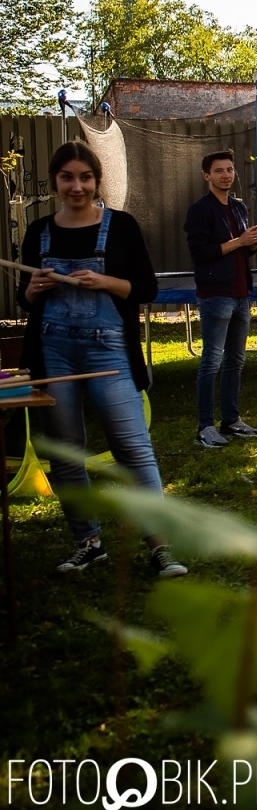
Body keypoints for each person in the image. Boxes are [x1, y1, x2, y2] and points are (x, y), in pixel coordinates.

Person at [21, 142, 186, 578]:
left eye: (85, 177)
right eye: (67, 178)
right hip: (53, 350)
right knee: (65, 452)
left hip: (108, 349)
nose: (77, 186)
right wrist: (32, 290)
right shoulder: (38, 231)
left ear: (97, 181)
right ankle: (88, 543)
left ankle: (160, 547)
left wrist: (104, 281)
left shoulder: (121, 226)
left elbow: (146, 289)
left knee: (133, 447)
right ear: (55, 182)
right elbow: (25, 300)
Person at [185, 149, 257, 448]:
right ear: (206, 176)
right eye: (219, 170)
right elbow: (201, 253)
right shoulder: (200, 211)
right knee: (211, 361)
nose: (226, 175)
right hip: (215, 295)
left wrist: (256, 240)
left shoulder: (238, 207)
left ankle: (232, 420)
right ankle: (205, 427)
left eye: (230, 170)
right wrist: (240, 241)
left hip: (240, 292)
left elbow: (243, 249)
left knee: (235, 360)